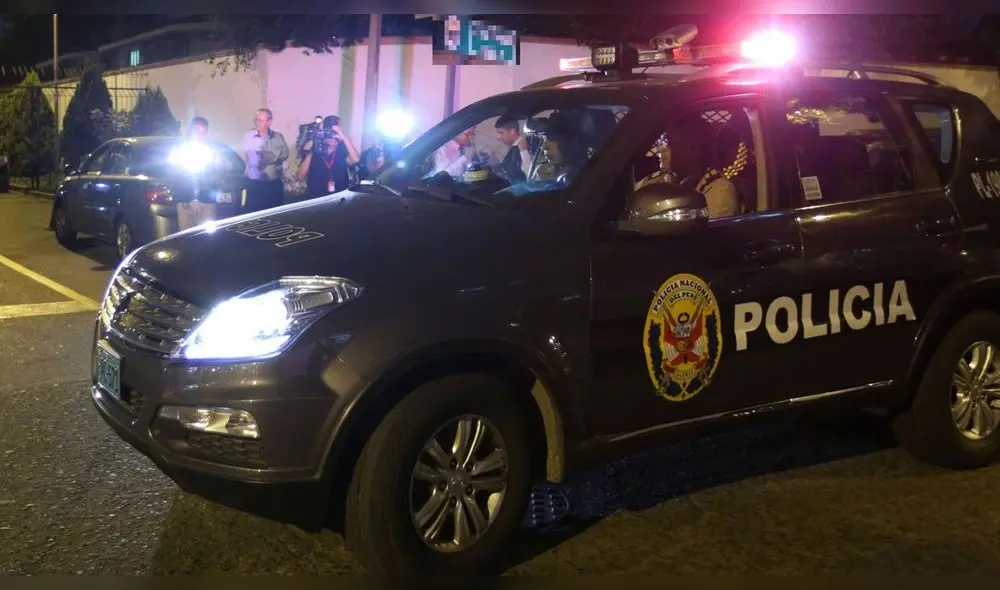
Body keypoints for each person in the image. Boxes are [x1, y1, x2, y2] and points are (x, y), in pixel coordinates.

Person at [658, 115, 739, 218]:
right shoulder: (672, 180)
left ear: (693, 148)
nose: (661, 150)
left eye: (669, 143)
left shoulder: (719, 191)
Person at [296, 116, 360, 198]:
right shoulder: (316, 150)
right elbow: (300, 176)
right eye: (329, 133)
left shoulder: (342, 149)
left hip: (339, 197)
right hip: (316, 197)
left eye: (335, 133)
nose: (332, 137)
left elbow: (355, 160)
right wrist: (311, 151)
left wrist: (343, 137)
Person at [243, 108, 290, 212]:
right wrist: (272, 156)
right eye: (256, 120)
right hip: (254, 184)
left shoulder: (278, 137)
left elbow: (285, 154)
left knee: (274, 214)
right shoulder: (249, 136)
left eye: (260, 120)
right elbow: (254, 157)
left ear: (269, 122)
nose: (257, 123)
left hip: (273, 184)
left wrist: (271, 156)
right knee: (254, 214)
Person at [494, 115, 532, 183]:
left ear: (512, 131)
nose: (498, 137)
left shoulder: (525, 146)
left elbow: (530, 173)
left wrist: (524, 152)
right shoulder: (514, 148)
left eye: (501, 132)